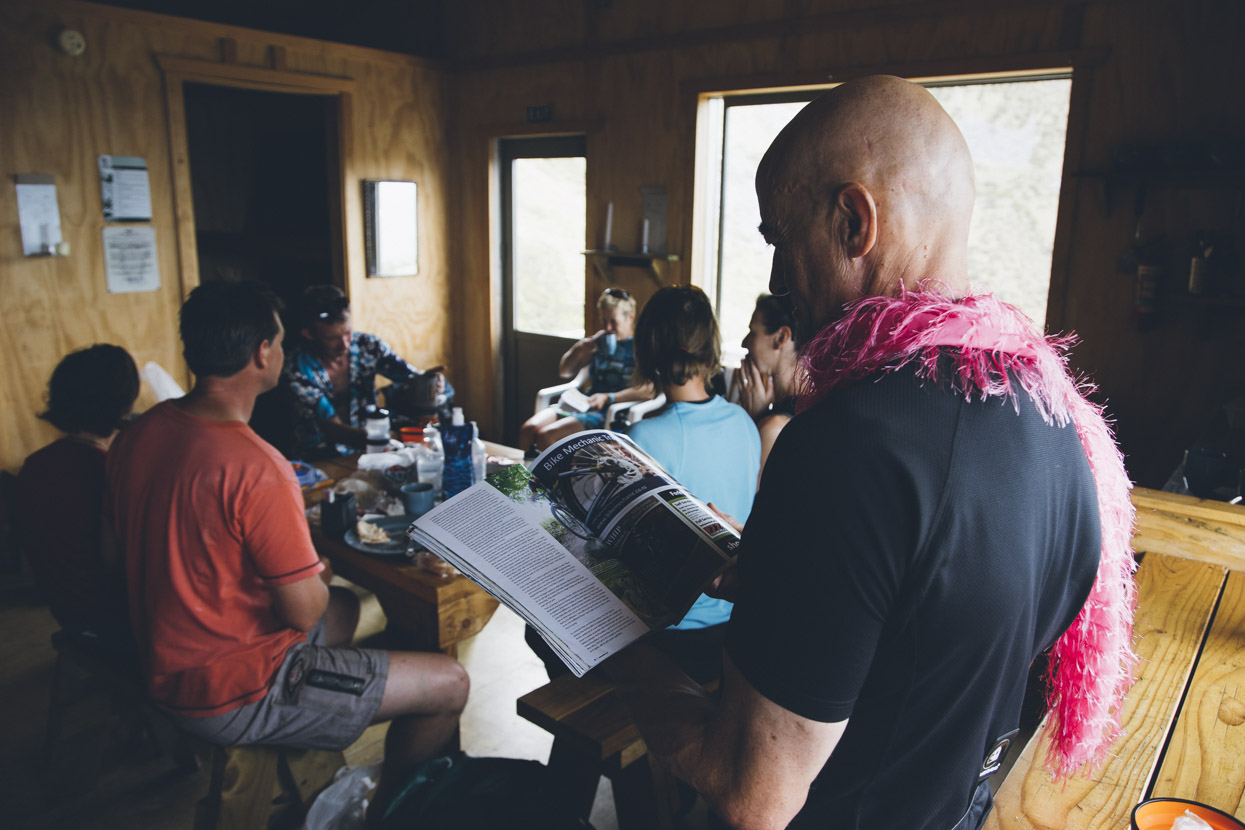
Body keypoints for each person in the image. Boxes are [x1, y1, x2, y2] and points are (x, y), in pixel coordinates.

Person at [605, 75, 1137, 830]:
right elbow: (937, 632)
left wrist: (609, 643)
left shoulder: (848, 443)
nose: (773, 279)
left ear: (854, 222)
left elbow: (749, 794)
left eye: (778, 238)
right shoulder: (1055, 421)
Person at [106, 281, 468, 820]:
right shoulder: (258, 466)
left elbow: (122, 553)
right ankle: (393, 814)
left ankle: (358, 695)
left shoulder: (141, 433)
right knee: (449, 682)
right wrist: (313, 572)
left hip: (162, 653)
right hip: (233, 686)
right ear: (262, 354)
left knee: (347, 606)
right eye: (277, 343)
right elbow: (303, 609)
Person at [627, 285, 760, 683]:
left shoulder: (646, 436)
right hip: (732, 628)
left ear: (647, 350)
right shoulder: (745, 423)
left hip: (672, 638)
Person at [17, 344, 139, 657]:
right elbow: (129, 565)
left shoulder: (34, 465)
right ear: (124, 404)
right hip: (115, 625)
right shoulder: (108, 472)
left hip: (68, 615)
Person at [284, 284, 448, 457]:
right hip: (319, 458)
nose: (344, 344)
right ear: (309, 334)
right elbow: (331, 429)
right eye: (332, 338)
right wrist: (389, 440)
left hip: (370, 451)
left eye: (348, 333)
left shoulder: (367, 346)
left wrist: (428, 383)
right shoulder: (296, 371)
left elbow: (408, 375)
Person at [518, 287, 651, 451]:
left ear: (630, 318)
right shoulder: (598, 341)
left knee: (547, 435)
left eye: (613, 322)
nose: (607, 327)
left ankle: (547, 477)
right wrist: (578, 350)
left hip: (609, 412)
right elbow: (564, 372)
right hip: (582, 404)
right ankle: (522, 476)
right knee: (528, 429)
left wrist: (609, 397)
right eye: (604, 321)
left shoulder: (640, 348)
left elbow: (650, 389)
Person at [734, 293, 799, 476]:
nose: (744, 343)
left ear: (780, 337)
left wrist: (754, 421)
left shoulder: (773, 427)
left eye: (753, 333)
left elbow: (747, 497)